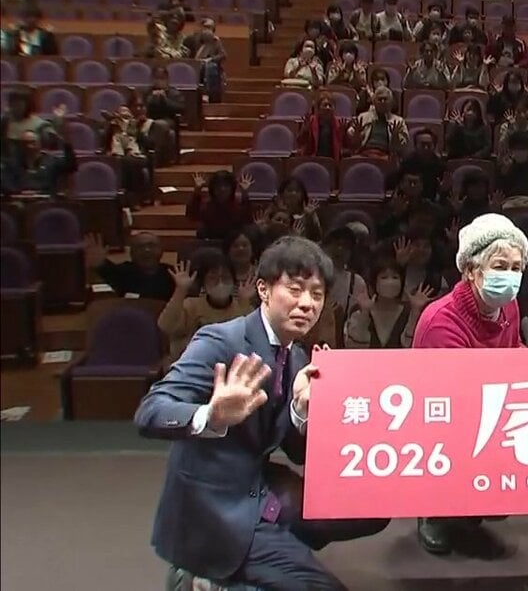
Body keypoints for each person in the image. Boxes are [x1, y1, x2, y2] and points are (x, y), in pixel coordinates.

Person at [134, 237, 390, 589]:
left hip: (261, 488)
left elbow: (297, 452)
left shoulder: (296, 357)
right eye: (295, 289)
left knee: (372, 512)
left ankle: (257, 560)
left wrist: (301, 410)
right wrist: (211, 415)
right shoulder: (221, 341)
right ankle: (204, 574)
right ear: (264, 289)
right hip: (213, 506)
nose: (307, 304)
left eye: (316, 294)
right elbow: (150, 411)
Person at [412, 213, 528, 554]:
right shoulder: (441, 321)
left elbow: (513, 349)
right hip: (444, 416)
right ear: (470, 271)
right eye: (499, 266)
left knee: (499, 502)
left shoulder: (509, 306)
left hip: (492, 403)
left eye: (516, 268)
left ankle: (469, 500)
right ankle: (432, 511)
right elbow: (453, 395)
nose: (509, 276)